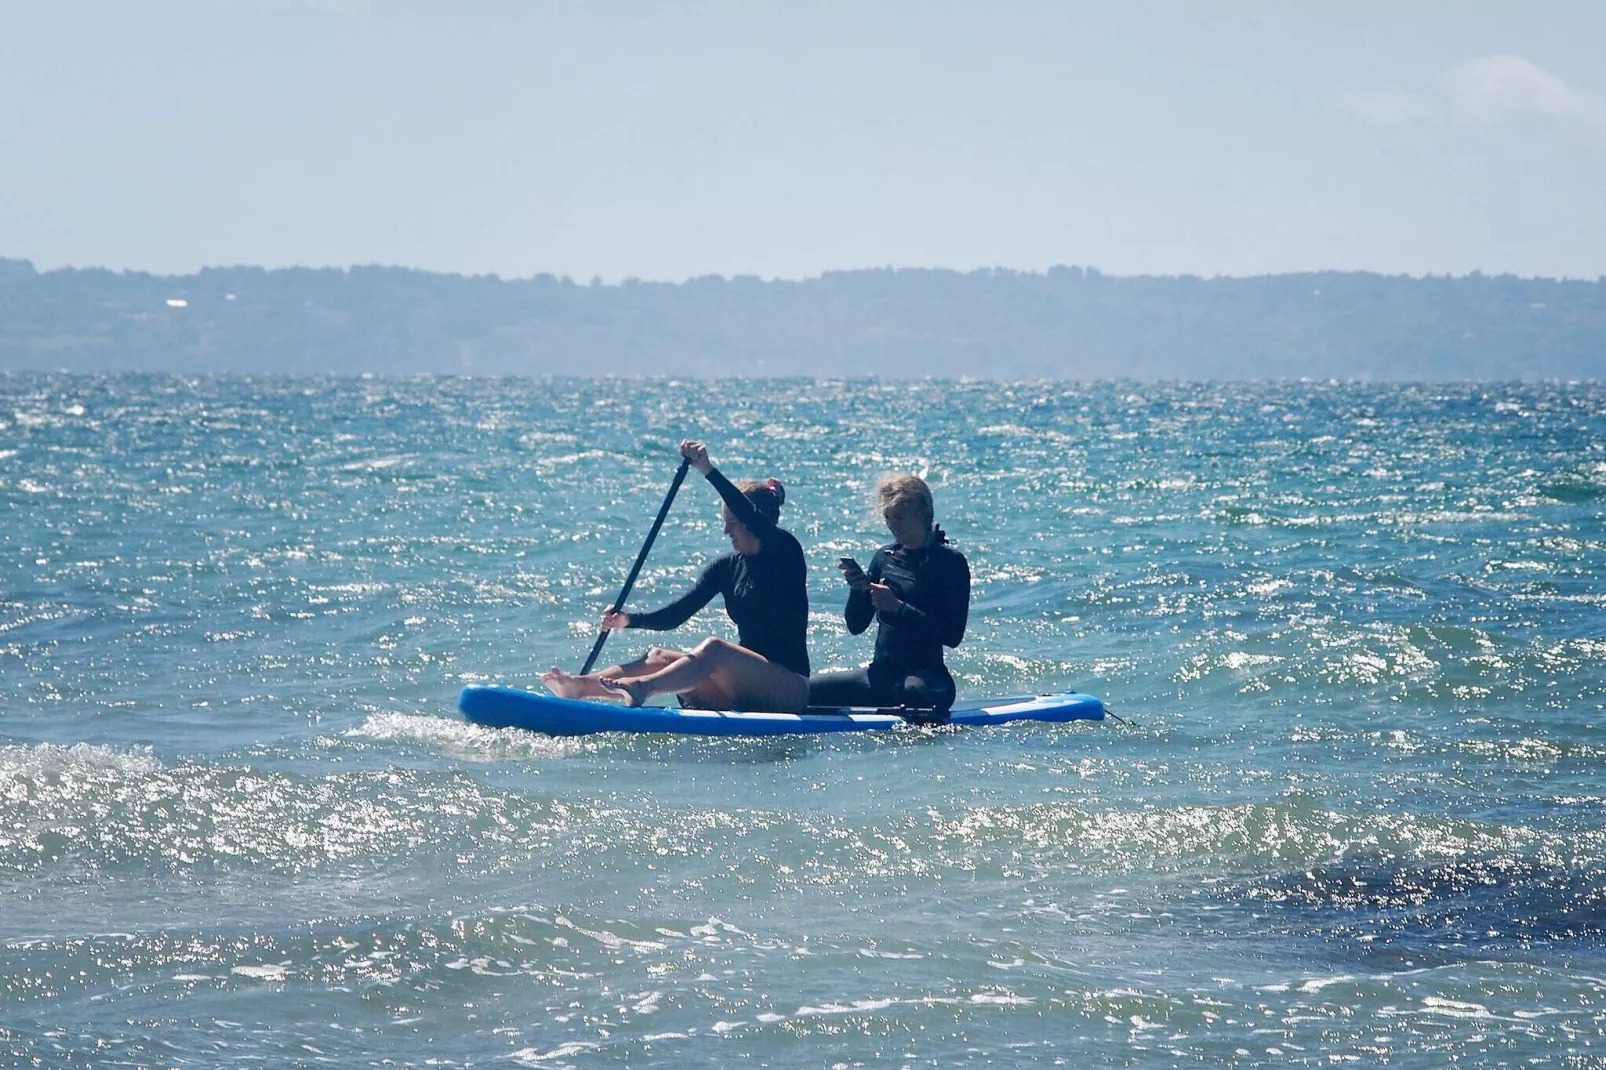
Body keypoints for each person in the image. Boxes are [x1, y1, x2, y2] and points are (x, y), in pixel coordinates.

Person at [541, 440, 810, 713]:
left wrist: (707, 469)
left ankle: (641, 688)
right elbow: (675, 616)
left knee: (714, 649)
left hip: (788, 689)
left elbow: (750, 515)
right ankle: (578, 687)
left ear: (751, 522)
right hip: (741, 688)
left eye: (732, 524)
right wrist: (629, 620)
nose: (726, 532)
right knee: (659, 657)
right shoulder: (726, 567)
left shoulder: (785, 550)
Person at [808, 473, 970, 714]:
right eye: (887, 517)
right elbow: (855, 625)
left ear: (924, 513)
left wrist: (898, 608)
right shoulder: (884, 558)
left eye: (899, 517)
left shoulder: (950, 563)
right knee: (805, 691)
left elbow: (952, 636)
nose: (893, 524)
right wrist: (857, 590)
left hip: (928, 680)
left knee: (911, 692)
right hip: (880, 675)